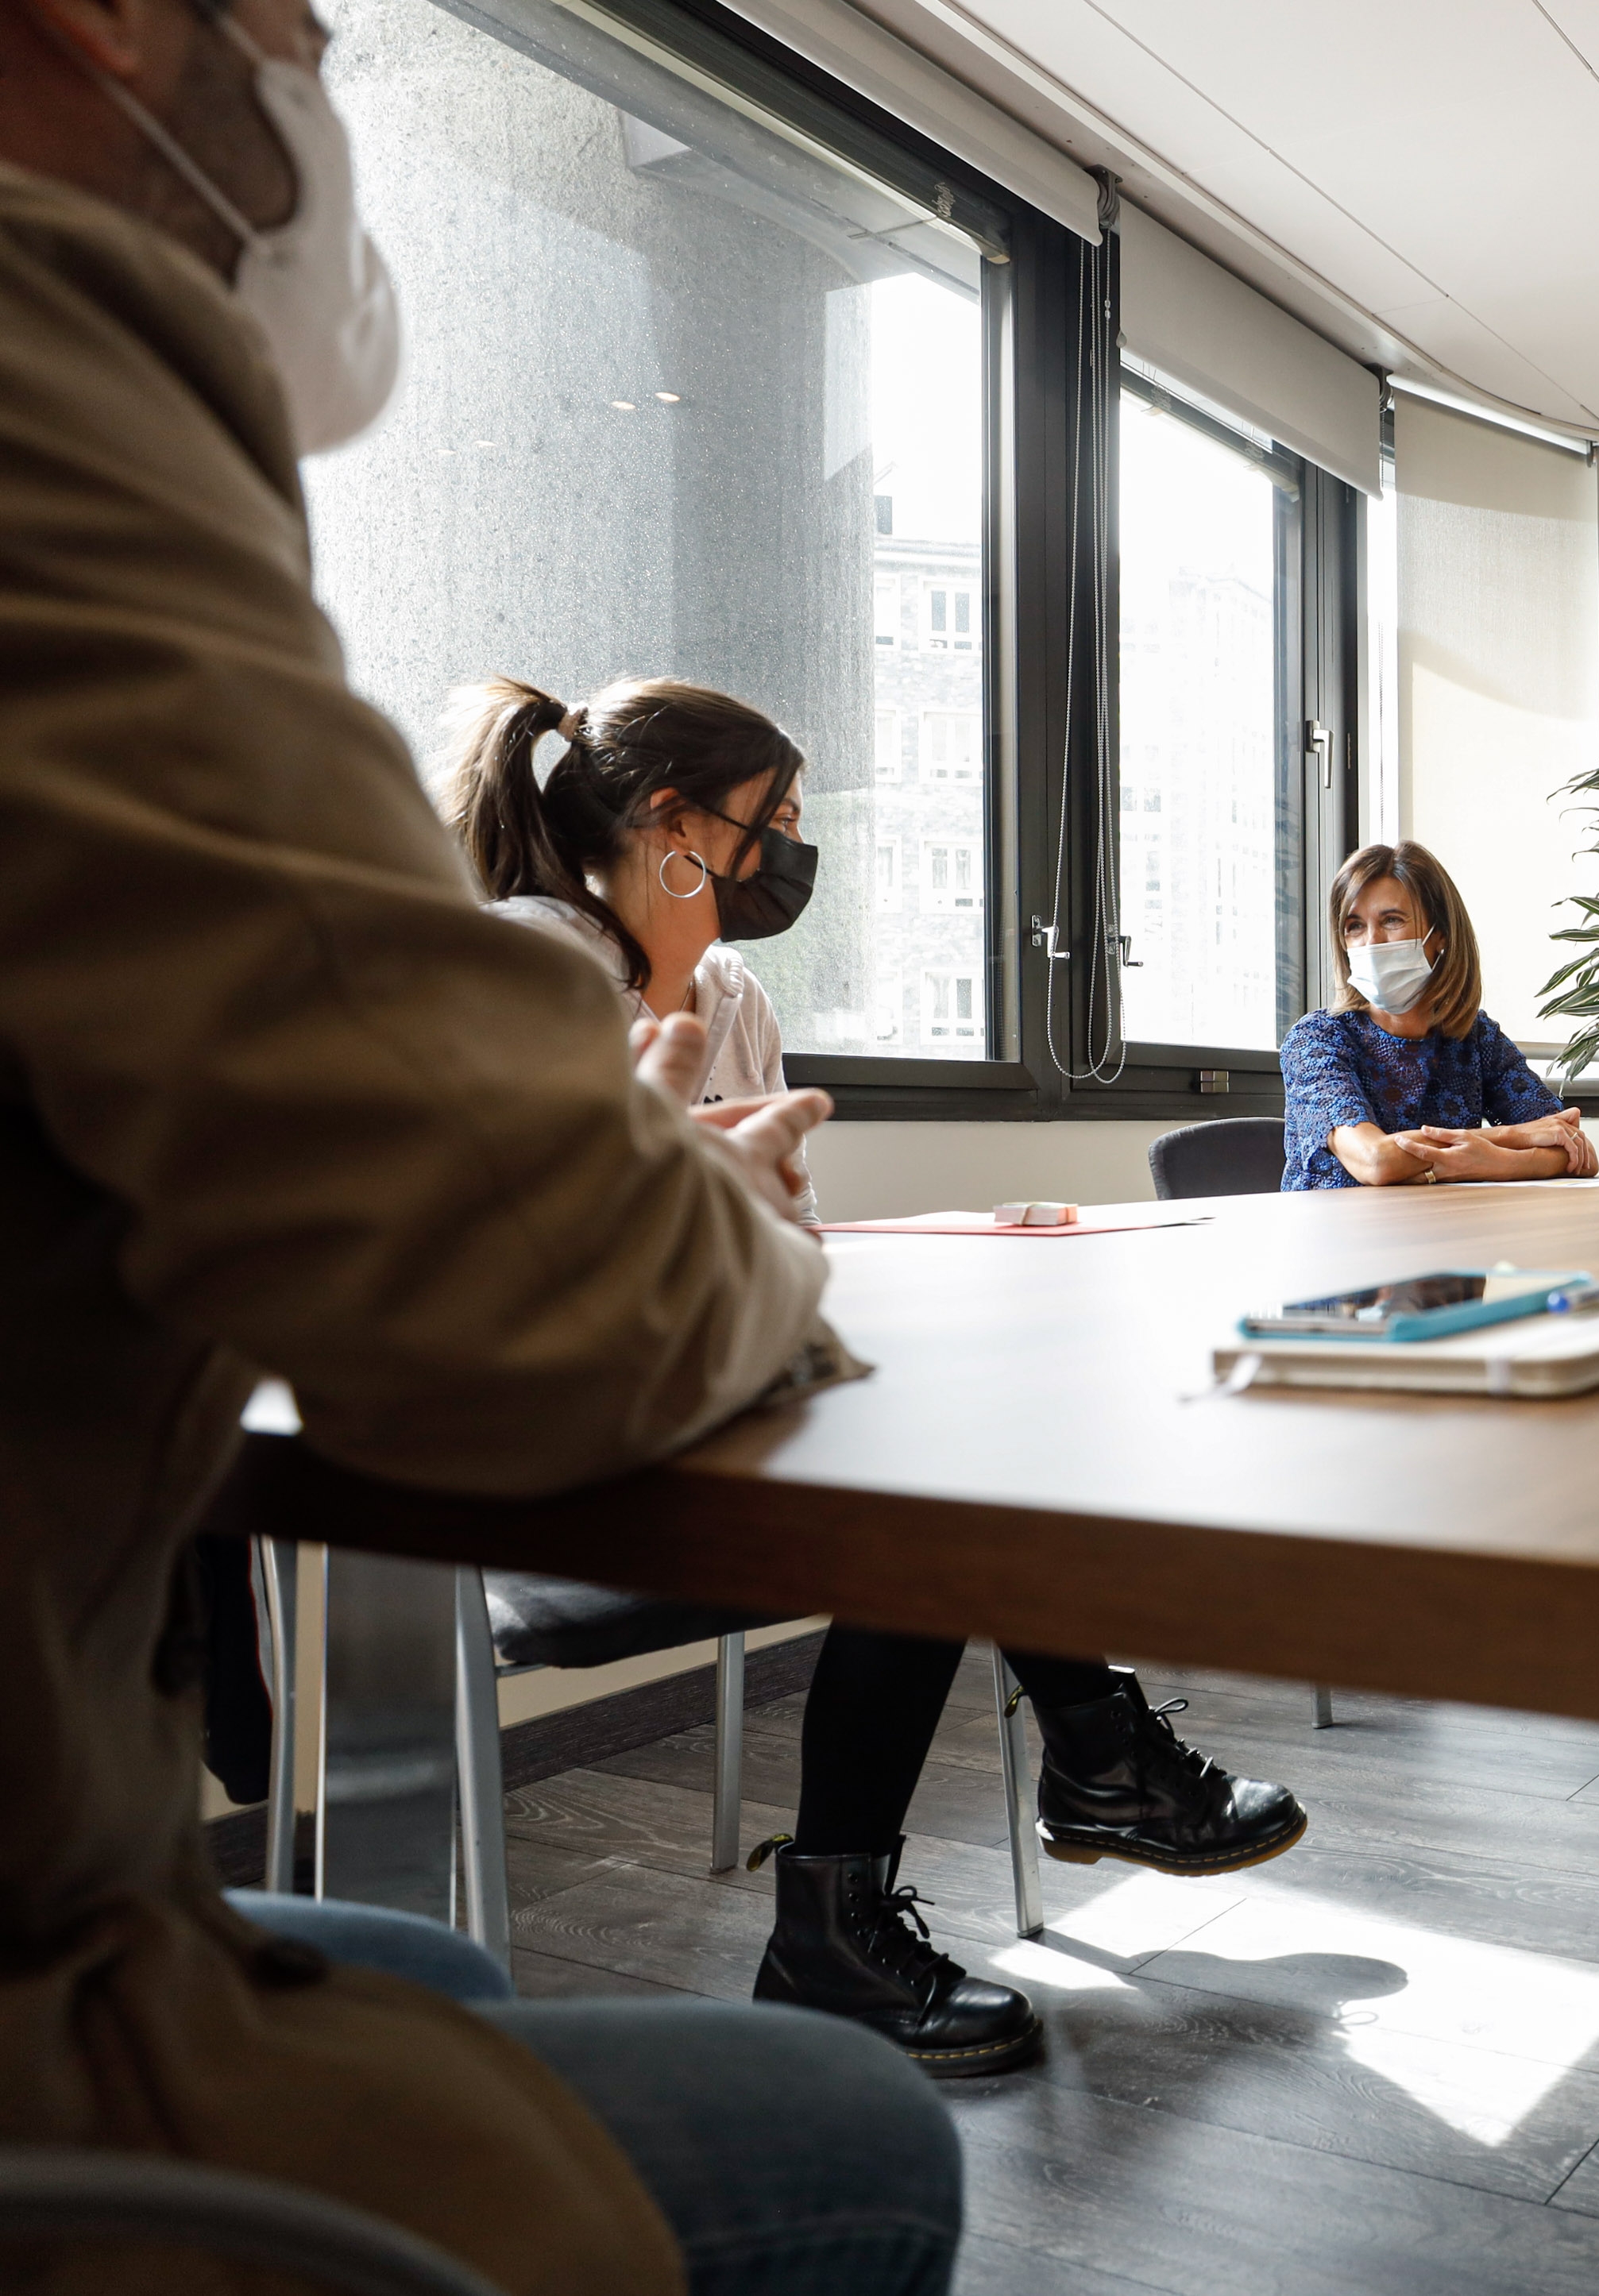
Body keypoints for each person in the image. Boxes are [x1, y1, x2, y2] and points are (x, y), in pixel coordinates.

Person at [0, 4, 962, 2288]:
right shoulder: (54, 408)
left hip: (84, 1855)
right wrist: (708, 1209)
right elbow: (561, 1300)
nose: (331, 86)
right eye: (308, 30)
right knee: (855, 2139)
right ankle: (882, 1903)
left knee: (432, 1983)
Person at [449, 674, 1310, 2077]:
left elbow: (776, 1249)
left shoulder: (725, 992)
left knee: (972, 1440)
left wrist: (884, 1238)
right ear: (675, 823)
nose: (794, 849)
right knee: (932, 1483)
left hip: (700, 1408)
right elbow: (497, 1262)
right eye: (772, 818)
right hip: (547, 1453)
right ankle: (1088, 1769)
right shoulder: (515, 967)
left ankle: (938, 1865)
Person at [1281, 839, 1599, 1188]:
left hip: (1442, 1232)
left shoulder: (1475, 1038)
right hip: (1337, 1238)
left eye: (1391, 920)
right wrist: (1513, 1139)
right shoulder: (1316, 1039)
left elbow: (1571, 1149)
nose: (1371, 942)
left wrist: (1491, 1164)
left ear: (1441, 935)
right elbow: (1376, 1161)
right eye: (1354, 926)